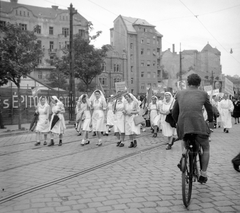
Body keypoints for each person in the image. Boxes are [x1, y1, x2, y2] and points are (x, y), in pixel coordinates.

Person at [172, 73, 213, 184]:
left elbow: (174, 112)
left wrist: (177, 123)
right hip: (198, 125)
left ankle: (184, 155)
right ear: (199, 84)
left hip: (183, 125)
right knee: (206, 148)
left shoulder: (180, 93)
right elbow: (210, 111)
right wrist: (211, 123)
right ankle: (203, 174)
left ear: (187, 82)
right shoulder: (203, 94)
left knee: (185, 139)